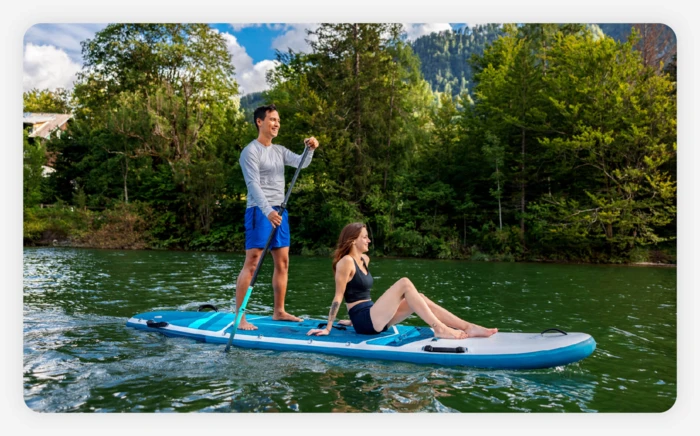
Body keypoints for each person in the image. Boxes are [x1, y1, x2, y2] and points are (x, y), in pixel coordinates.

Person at [307, 222, 498, 339]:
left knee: (419, 297)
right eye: (365, 237)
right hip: (365, 322)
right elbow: (338, 297)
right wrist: (329, 328)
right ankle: (440, 328)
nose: (369, 241)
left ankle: (467, 327)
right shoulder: (346, 262)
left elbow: (359, 293)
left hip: (372, 315)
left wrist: (350, 320)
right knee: (405, 283)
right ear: (353, 239)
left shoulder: (364, 259)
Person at [235, 104, 319, 330]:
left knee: (282, 262)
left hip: (279, 210)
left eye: (278, 121)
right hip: (259, 211)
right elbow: (252, 186)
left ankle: (279, 311)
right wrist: (267, 212)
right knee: (252, 262)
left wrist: (309, 149)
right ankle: (240, 317)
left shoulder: (280, 151)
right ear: (259, 122)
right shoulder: (250, 151)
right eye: (272, 119)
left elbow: (303, 163)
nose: (276, 124)